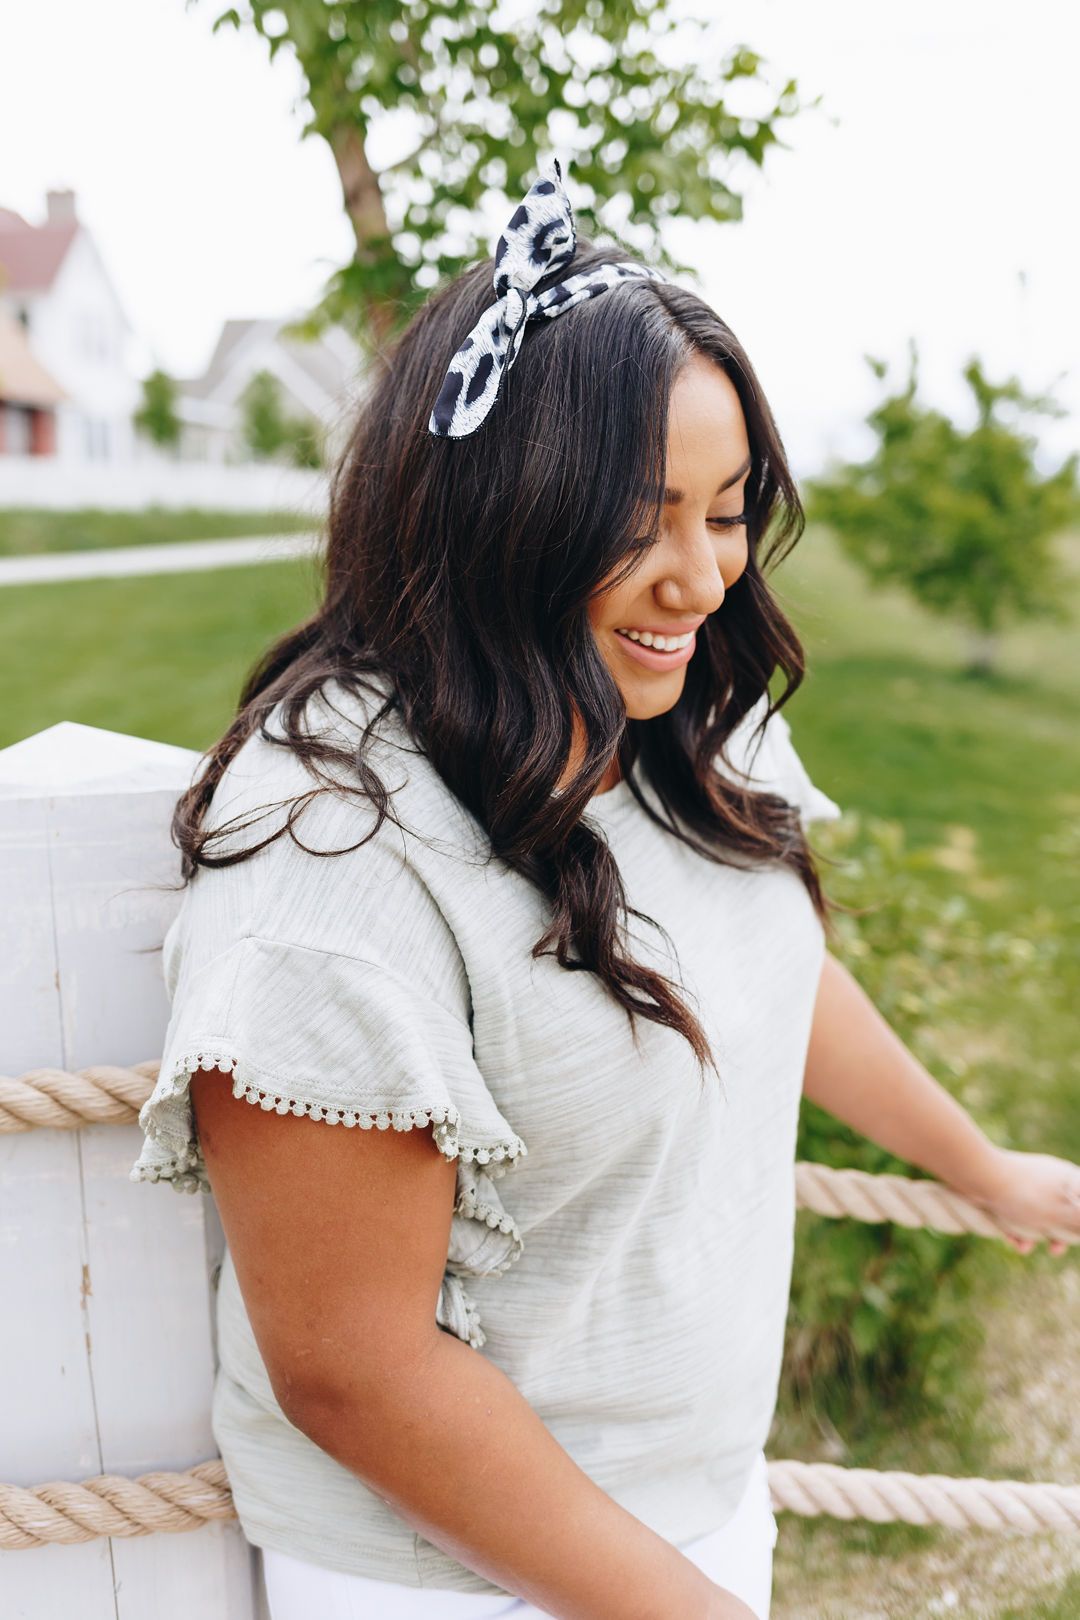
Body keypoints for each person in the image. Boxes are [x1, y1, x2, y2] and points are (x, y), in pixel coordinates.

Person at [131, 161, 1080, 1620]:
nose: (701, 582)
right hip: (454, 1574)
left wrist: (984, 1168)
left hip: (700, 1505)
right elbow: (352, 1368)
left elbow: (764, 968)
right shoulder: (334, 857)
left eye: (727, 510)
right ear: (500, 511)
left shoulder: (684, 715)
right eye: (641, 520)